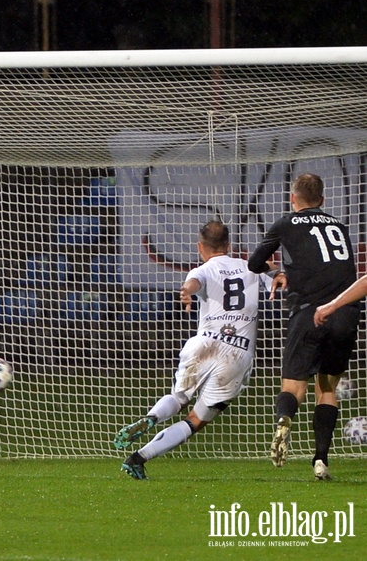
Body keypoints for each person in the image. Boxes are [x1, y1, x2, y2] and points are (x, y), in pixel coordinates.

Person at [115, 220, 274, 479]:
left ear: (201, 247)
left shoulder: (204, 269)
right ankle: (139, 457)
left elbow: (193, 281)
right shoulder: (251, 267)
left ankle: (152, 417)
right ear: (229, 245)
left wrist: (187, 292)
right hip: (237, 353)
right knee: (196, 420)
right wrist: (278, 273)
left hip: (203, 344)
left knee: (178, 398)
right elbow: (279, 277)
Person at [248, 172, 358, 481]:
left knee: (294, 387)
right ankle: (321, 460)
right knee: (327, 388)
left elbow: (254, 263)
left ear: (292, 198)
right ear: (323, 200)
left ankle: (284, 418)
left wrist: (278, 271)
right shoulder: (339, 226)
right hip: (345, 313)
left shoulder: (284, 223)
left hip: (308, 313)